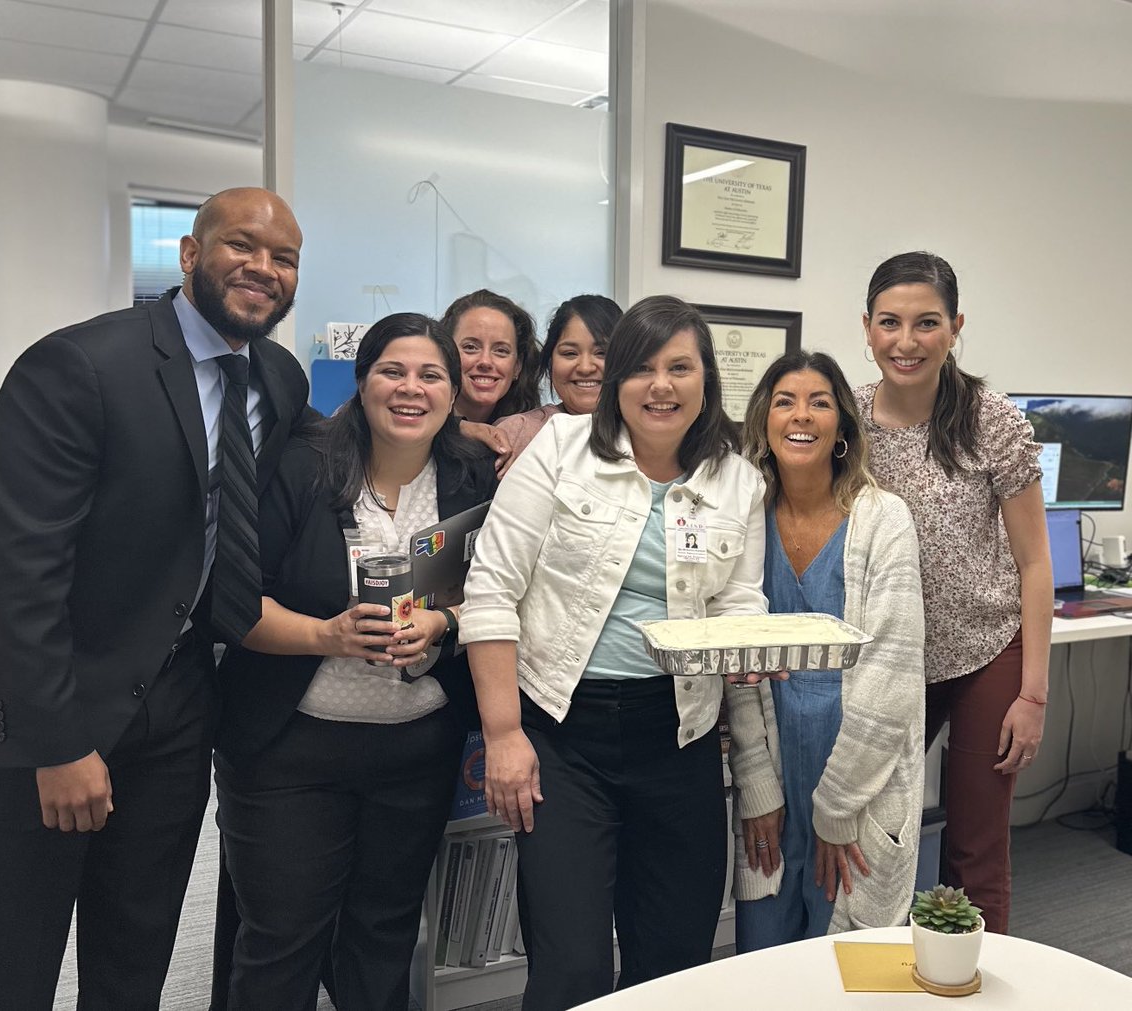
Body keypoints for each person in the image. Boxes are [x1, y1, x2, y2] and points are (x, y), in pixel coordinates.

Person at [0, 187, 312, 1008]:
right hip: (48, 700)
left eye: (283, 258)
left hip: (176, 706)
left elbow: (338, 441)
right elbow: (16, 569)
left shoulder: (276, 377)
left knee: (135, 958)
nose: (263, 267)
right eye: (240, 245)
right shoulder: (80, 364)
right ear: (187, 254)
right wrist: (57, 743)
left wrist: (498, 429)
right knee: (7, 973)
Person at [460, 295, 785, 1011]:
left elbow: (738, 600)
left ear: (707, 380)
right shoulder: (560, 449)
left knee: (674, 958)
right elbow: (490, 592)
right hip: (563, 736)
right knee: (571, 964)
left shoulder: (738, 478)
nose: (660, 385)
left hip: (679, 737)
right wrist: (504, 731)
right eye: (641, 367)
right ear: (616, 382)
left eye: (679, 367)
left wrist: (751, 647)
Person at [214, 312, 497, 1010]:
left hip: (415, 751)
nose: (411, 388)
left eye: (431, 374)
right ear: (361, 381)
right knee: (282, 939)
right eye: (392, 370)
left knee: (384, 936)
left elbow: (499, 591)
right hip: (291, 751)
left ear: (453, 392)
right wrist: (327, 635)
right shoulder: (301, 465)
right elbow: (233, 600)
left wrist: (442, 620)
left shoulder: (471, 476)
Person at [856, 250, 1051, 934]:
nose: (906, 342)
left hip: (983, 653)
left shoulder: (992, 423)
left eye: (926, 323)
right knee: (870, 834)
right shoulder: (847, 421)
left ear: (955, 326)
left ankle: (968, 981)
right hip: (886, 658)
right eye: (890, 323)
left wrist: (1033, 694)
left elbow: (1033, 563)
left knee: (975, 847)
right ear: (867, 328)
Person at [729, 350, 925, 949]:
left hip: (858, 782)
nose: (802, 416)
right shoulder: (743, 518)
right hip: (774, 769)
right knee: (763, 960)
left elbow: (893, 675)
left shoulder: (883, 519)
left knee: (846, 962)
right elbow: (734, 653)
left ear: (841, 426)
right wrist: (757, 784)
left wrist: (838, 807)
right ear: (764, 418)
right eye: (785, 401)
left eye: (820, 403)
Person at [494, 294, 623, 462]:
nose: (585, 367)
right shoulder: (516, 433)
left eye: (602, 353)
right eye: (570, 353)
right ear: (550, 362)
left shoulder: (647, 433)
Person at [441, 288, 541, 423]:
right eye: (470, 347)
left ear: (517, 366)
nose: (485, 361)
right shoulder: (418, 432)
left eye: (501, 351)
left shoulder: (534, 434)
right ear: (445, 355)